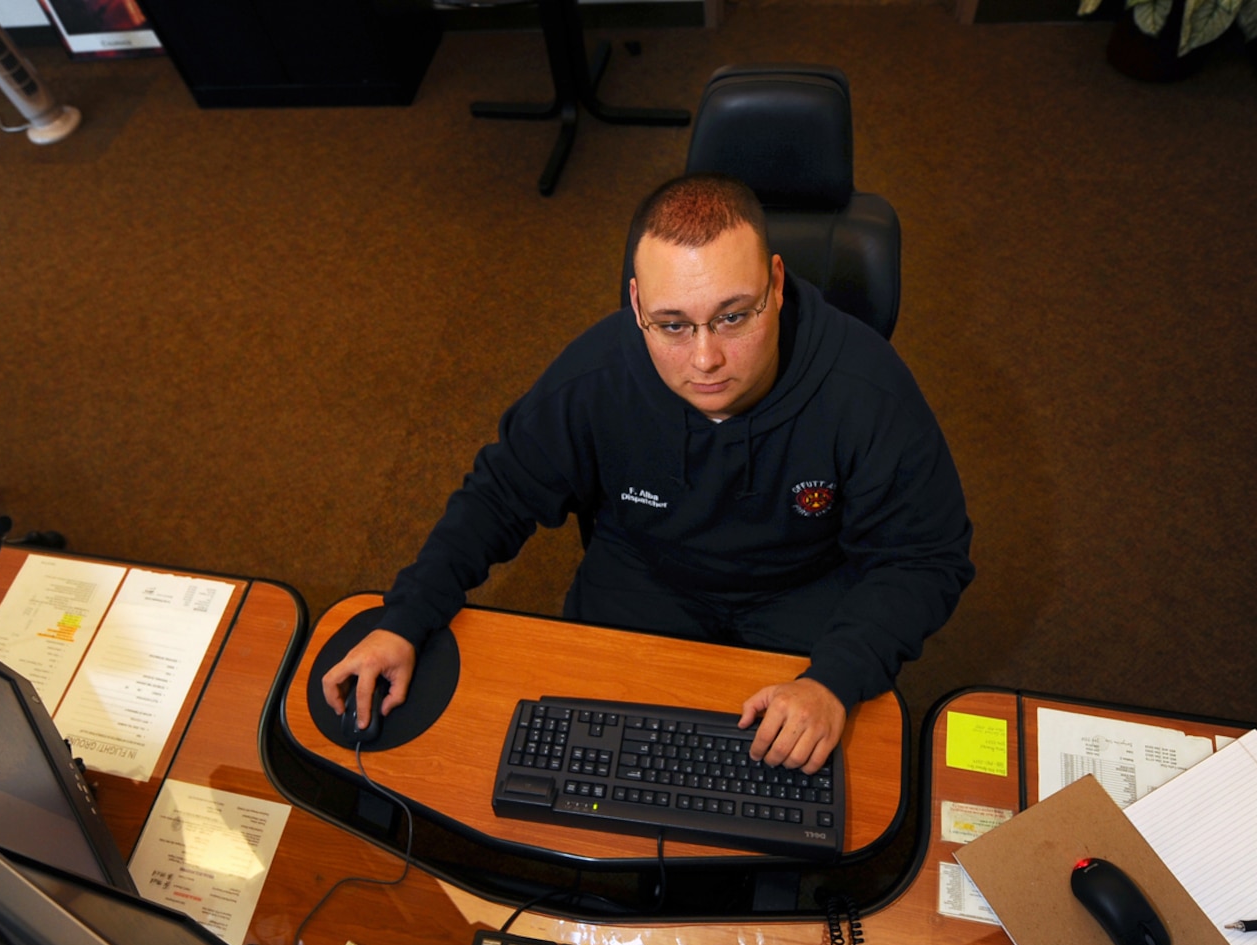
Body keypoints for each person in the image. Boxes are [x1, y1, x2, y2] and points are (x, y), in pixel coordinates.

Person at [322, 173, 972, 775]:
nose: (706, 358)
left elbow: (926, 558)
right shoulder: (597, 374)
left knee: (801, 801)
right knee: (579, 768)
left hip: (805, 587)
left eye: (734, 315)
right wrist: (402, 621)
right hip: (645, 573)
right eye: (672, 325)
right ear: (637, 305)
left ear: (776, 283)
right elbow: (499, 496)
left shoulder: (867, 390)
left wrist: (835, 678)